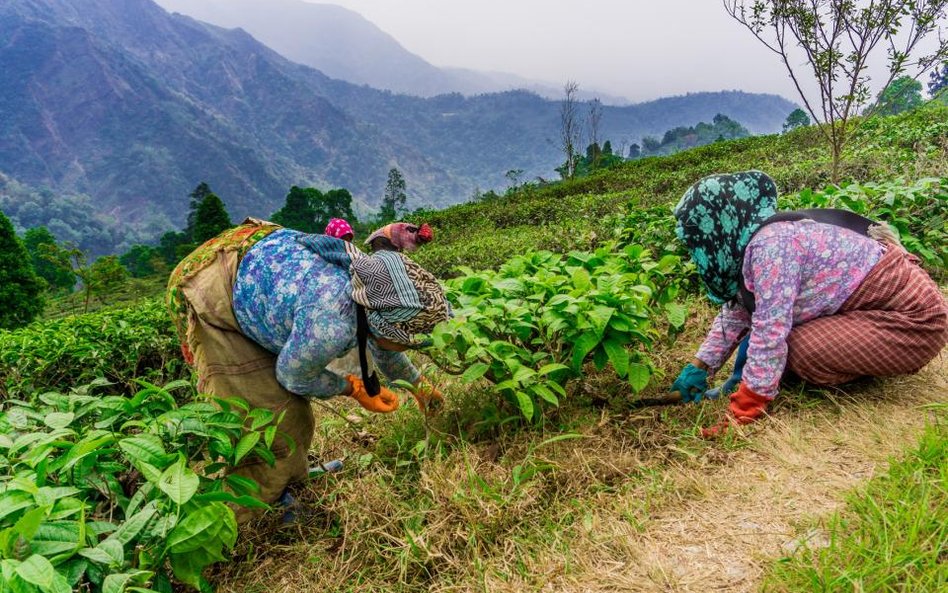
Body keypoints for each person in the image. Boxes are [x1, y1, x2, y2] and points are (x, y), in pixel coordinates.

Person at [166, 218, 450, 517]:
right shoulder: (330, 322)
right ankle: (244, 513)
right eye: (408, 340)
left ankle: (291, 479)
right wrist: (351, 388)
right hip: (213, 287)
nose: (409, 345)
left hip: (260, 267)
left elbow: (384, 342)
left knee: (292, 411)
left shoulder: (375, 286)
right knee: (267, 414)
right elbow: (294, 376)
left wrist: (419, 386)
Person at [669, 171, 948, 436]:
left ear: (719, 226)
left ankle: (864, 368)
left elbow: (769, 330)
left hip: (916, 320)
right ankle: (856, 357)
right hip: (874, 311)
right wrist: (698, 369)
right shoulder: (758, 240)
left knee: (798, 351)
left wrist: (747, 405)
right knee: (785, 347)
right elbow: (737, 315)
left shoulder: (771, 247)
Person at [365, 222, 433, 253]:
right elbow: (407, 253)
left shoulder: (413, 230)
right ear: (418, 234)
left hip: (391, 241)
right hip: (382, 239)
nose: (422, 242)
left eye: (424, 242)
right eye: (421, 240)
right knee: (381, 260)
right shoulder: (407, 237)